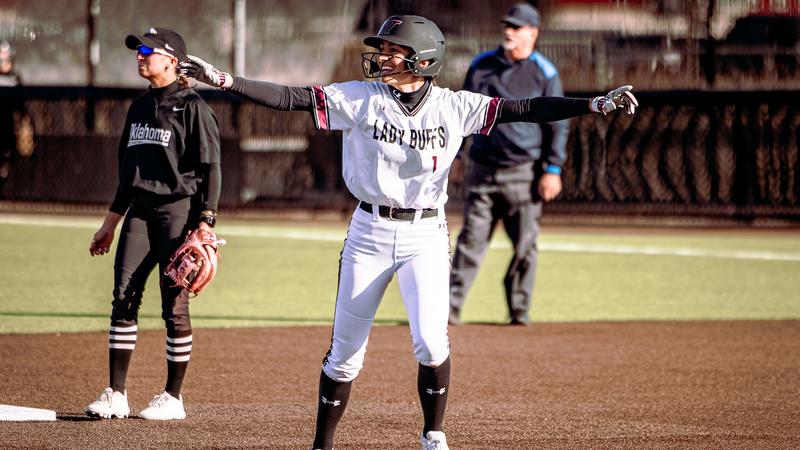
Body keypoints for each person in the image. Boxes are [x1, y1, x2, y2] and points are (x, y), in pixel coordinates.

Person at [180, 14, 636, 450]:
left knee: (432, 343)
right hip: (369, 232)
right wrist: (224, 80)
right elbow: (289, 97)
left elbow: (526, 108)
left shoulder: (455, 106)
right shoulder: (360, 97)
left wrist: (592, 103)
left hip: (425, 235)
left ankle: (433, 434)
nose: (382, 58)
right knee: (345, 353)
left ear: (423, 59)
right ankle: (322, 444)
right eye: (382, 49)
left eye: (394, 51)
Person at [85, 27, 221, 421]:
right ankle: (116, 393)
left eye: (148, 50)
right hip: (139, 214)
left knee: (173, 306)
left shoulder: (194, 107)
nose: (140, 56)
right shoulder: (138, 108)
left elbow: (212, 168)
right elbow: (128, 176)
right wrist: (110, 223)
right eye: (138, 50)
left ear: (173, 60)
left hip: (178, 213)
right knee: (123, 297)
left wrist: (206, 221)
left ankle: (173, 398)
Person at [449, 2, 567, 326]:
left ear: (533, 33)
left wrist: (552, 169)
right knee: (470, 242)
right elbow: (461, 114)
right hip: (482, 169)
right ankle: (448, 310)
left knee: (524, 247)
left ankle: (519, 312)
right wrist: (457, 157)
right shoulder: (481, 65)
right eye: (507, 26)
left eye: (517, 27)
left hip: (523, 173)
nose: (509, 32)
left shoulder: (544, 71)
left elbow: (558, 125)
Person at [0, 39, 35, 197]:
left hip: (8, 126)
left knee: (7, 158)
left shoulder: (14, 78)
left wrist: (26, 121)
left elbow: (21, 105)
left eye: (6, 58)